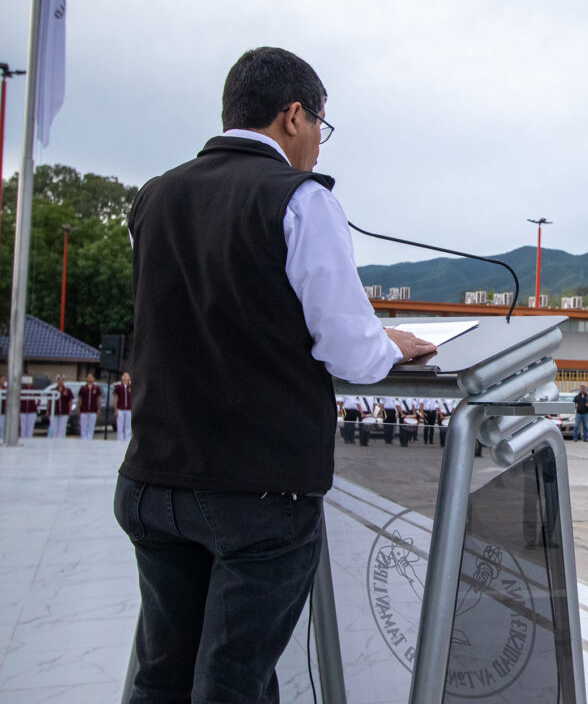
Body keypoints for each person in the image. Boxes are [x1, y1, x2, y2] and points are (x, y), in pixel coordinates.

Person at [113, 48, 435, 703]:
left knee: (161, 676)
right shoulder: (298, 200)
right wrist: (392, 343)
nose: (319, 141)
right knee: (232, 683)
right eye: (321, 124)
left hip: (152, 479)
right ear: (293, 116)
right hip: (255, 493)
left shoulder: (155, 194)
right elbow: (350, 352)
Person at [78, 373, 102, 440]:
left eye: (91, 377)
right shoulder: (83, 388)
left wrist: (98, 409)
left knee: (91, 426)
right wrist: (79, 408)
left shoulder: (96, 388)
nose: (90, 379)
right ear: (86, 379)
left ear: (93, 379)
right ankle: (83, 438)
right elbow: (80, 399)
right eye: (88, 377)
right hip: (84, 410)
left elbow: (98, 399)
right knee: (83, 426)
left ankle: (90, 438)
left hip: (93, 410)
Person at [113, 372, 133, 441]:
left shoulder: (131, 387)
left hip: (128, 409)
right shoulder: (118, 387)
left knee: (128, 425)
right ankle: (120, 439)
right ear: (122, 377)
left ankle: (127, 439)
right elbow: (115, 398)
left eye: (127, 376)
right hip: (120, 408)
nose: (125, 377)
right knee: (120, 425)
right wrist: (115, 409)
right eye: (124, 376)